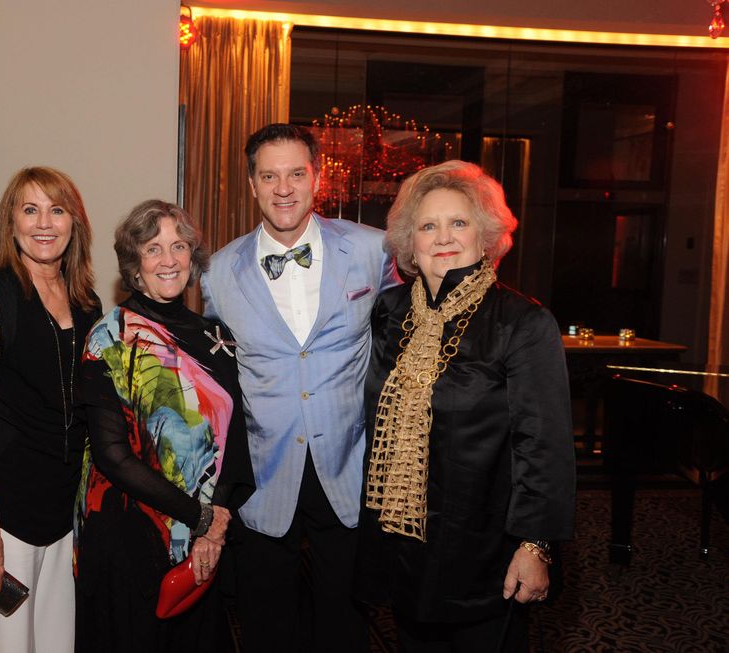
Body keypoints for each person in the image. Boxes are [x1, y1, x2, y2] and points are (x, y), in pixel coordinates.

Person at [356, 160, 576, 652]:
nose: (442, 237)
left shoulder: (522, 323)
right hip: (403, 548)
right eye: (428, 225)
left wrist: (536, 545)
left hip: (484, 554)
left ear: (486, 235)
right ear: (409, 242)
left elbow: (544, 446)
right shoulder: (389, 313)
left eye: (459, 222)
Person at [201, 123, 398, 652]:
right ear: (252, 184)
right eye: (269, 176)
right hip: (263, 474)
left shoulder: (373, 251)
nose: (283, 188)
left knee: (344, 624)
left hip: (348, 467)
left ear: (317, 178)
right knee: (267, 625)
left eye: (295, 173)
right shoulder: (218, 273)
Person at [75, 199, 253, 652]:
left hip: (204, 536)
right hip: (131, 536)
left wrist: (214, 527)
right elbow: (113, 457)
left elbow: (236, 437)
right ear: (134, 265)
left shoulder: (216, 336)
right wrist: (202, 518)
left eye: (178, 246)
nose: (168, 260)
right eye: (153, 249)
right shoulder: (110, 336)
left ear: (193, 258)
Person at [0, 166, 100, 653]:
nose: (44, 223)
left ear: (74, 222)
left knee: (57, 641)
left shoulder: (87, 304)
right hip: (4, 510)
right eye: (30, 209)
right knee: (4, 645)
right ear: (10, 222)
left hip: (60, 508)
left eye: (57, 210)